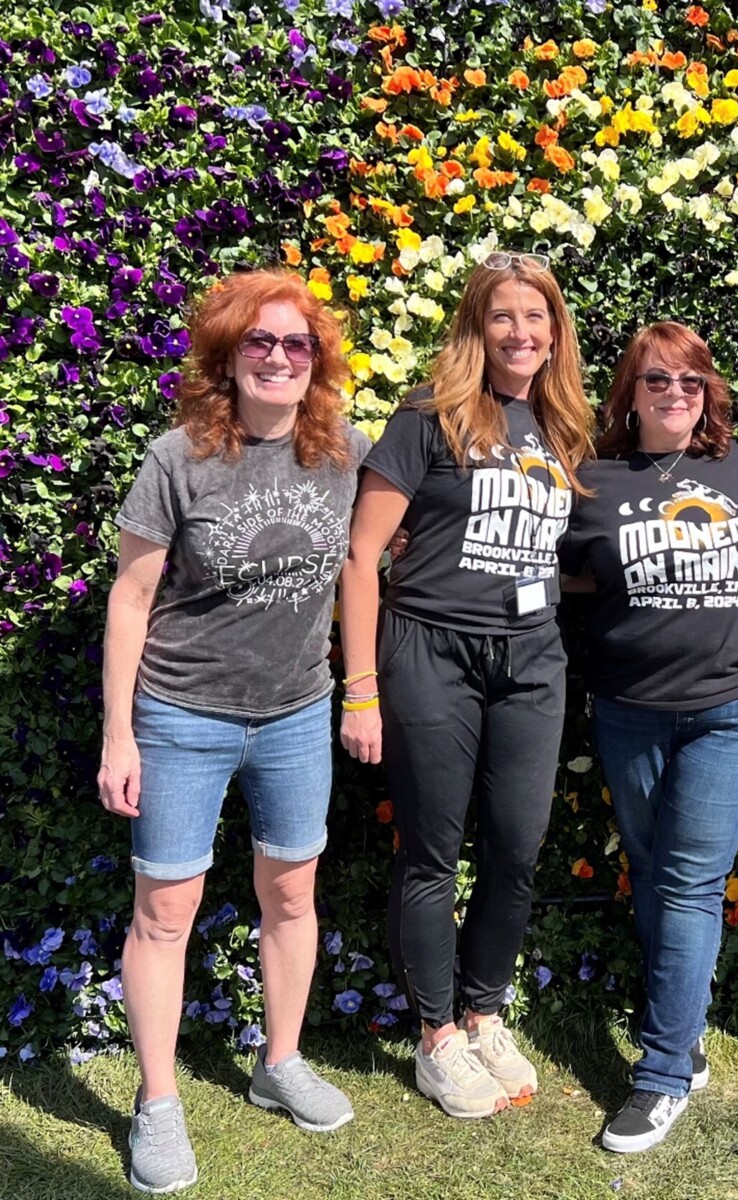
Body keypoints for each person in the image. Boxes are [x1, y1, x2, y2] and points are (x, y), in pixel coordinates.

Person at [99, 269, 367, 1194]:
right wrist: (119, 735)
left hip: (296, 711)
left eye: (297, 344)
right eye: (260, 342)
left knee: (292, 897)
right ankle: (159, 1102)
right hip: (181, 717)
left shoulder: (342, 452)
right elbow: (131, 600)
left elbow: (382, 551)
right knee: (164, 912)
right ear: (227, 356)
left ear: (317, 361)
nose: (280, 358)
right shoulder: (178, 458)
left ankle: (278, 1062)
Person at [338, 249, 592, 1117]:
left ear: (555, 330)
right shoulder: (428, 417)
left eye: (536, 316)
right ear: (475, 327)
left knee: (517, 850)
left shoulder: (561, 426)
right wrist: (361, 688)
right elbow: (362, 555)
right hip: (432, 653)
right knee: (433, 856)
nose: (521, 333)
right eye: (502, 317)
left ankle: (484, 1014)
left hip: (531, 661)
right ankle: (437, 1037)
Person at [560, 322, 738, 1152]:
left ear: (708, 390)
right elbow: (563, 569)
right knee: (651, 869)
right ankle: (682, 1038)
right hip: (630, 708)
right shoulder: (594, 478)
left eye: (690, 382)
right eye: (657, 382)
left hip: (732, 706)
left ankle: (658, 1075)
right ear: (631, 392)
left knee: (687, 881)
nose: (675, 395)